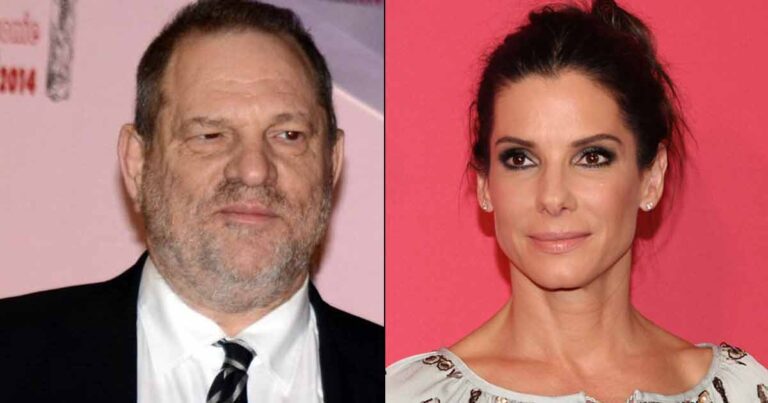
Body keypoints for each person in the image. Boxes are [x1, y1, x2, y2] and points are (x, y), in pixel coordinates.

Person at [0, 1, 382, 402]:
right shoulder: (11, 359)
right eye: (210, 136)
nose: (254, 170)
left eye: (289, 135)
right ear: (137, 164)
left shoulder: (402, 382)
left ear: (332, 163)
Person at [386, 0, 768, 402]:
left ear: (651, 178)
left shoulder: (741, 392)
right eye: (520, 159)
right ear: (485, 183)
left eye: (592, 157)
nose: (553, 197)